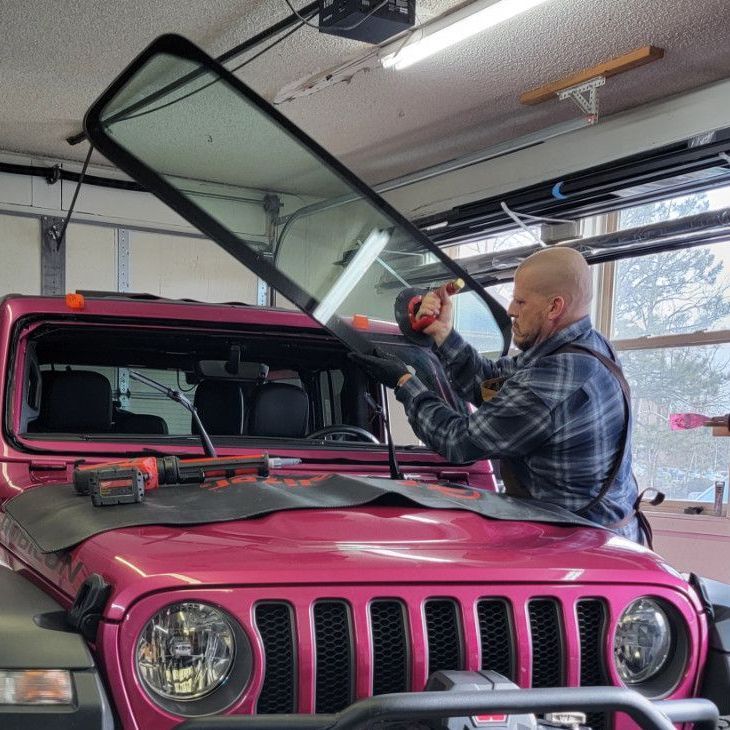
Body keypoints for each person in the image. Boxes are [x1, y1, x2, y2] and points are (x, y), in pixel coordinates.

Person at [351, 247, 646, 544]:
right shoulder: (584, 347)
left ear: (554, 307)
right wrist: (443, 333)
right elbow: (490, 385)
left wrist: (405, 384)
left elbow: (458, 441)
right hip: (605, 533)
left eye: (520, 301)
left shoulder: (555, 381)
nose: (511, 310)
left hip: (578, 548)